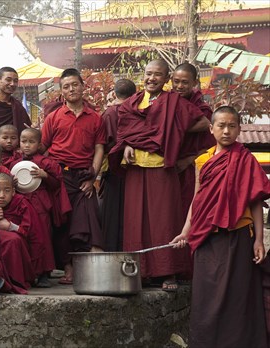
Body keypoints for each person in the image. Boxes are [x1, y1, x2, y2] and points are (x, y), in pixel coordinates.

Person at [171, 106, 270, 347]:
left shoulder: (246, 159)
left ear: (239, 129)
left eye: (232, 126)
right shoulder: (203, 161)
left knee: (239, 295)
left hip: (238, 237)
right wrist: (186, 230)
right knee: (206, 296)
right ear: (211, 129)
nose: (226, 131)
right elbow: (198, 199)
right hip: (207, 238)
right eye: (221, 126)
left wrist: (258, 239)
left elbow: (255, 201)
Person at [108, 59, 211, 291]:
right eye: (148, 73)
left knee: (164, 219)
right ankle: (140, 271)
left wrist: (172, 130)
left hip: (162, 166)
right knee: (135, 221)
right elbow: (124, 131)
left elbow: (205, 123)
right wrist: (126, 145)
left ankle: (168, 272)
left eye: (158, 75)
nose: (151, 78)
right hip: (136, 168)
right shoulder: (132, 102)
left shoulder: (173, 101)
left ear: (166, 80)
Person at [41, 68, 106, 285]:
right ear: (61, 91)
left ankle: (91, 266)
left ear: (82, 86)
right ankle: (68, 268)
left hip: (84, 176)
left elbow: (99, 149)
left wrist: (92, 176)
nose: (71, 89)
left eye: (74, 85)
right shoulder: (53, 117)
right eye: (66, 86)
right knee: (62, 223)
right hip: (59, 175)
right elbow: (44, 147)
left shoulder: (95, 118)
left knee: (90, 219)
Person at [10, 128, 70, 286]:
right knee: (22, 235)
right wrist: (11, 184)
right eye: (24, 141)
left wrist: (45, 176)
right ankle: (25, 273)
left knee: (43, 238)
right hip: (20, 203)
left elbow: (57, 184)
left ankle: (44, 273)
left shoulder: (46, 163)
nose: (27, 145)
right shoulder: (14, 163)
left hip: (40, 204)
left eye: (31, 142)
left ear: (39, 144)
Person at [0, 173, 46, 290]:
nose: (1, 195)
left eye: (6, 191)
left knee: (13, 240)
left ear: (13, 192)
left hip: (18, 244)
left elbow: (30, 232)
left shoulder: (21, 203)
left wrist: (10, 226)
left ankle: (14, 280)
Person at [172, 63, 215, 220]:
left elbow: (212, 146)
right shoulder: (165, 103)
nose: (179, 86)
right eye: (176, 81)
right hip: (167, 167)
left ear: (195, 83)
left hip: (192, 168)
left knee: (190, 210)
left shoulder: (202, 110)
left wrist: (189, 160)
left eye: (185, 82)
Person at [99, 79, 136, 251]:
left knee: (113, 214)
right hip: (135, 168)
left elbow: (104, 143)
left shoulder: (109, 114)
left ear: (114, 94)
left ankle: (112, 251)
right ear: (135, 95)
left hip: (113, 170)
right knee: (131, 212)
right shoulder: (137, 111)